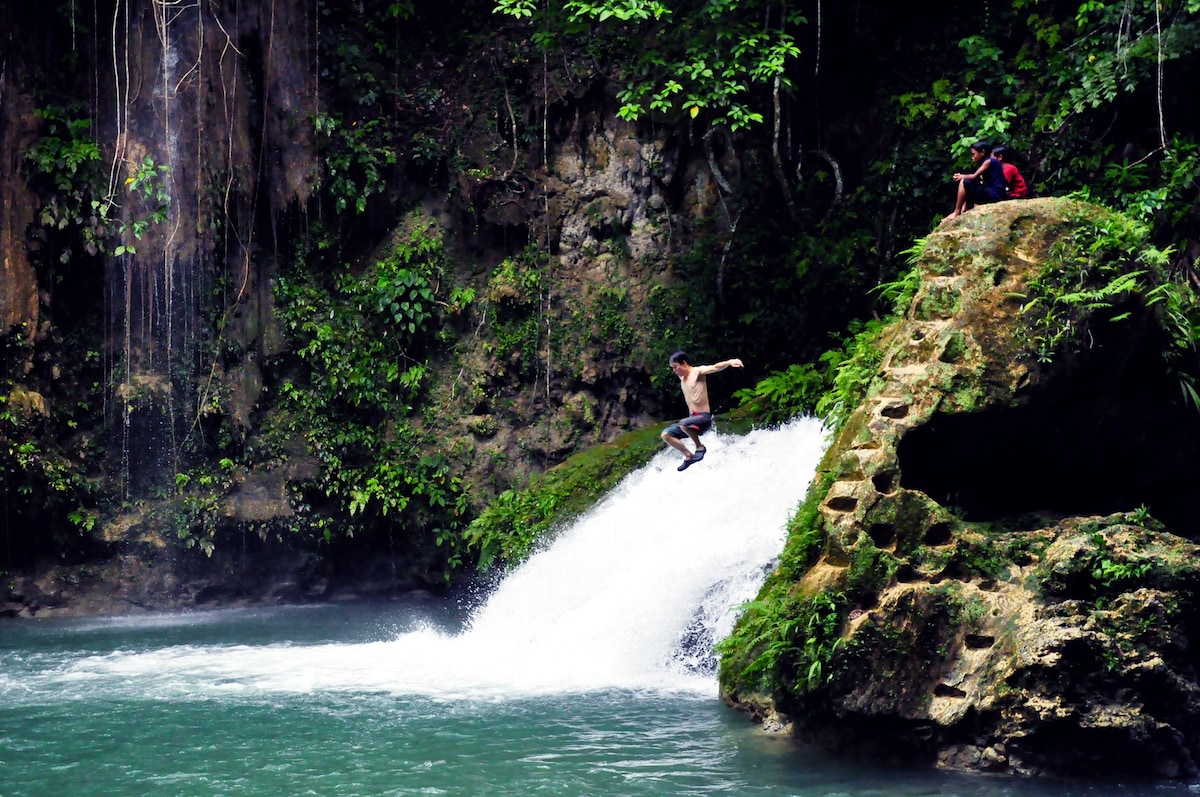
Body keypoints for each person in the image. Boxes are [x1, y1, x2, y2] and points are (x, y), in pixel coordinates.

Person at [661, 351, 744, 471]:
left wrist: (730, 362)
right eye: (672, 368)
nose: (674, 371)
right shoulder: (681, 377)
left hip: (703, 418)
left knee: (684, 423)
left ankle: (699, 447)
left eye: (675, 367)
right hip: (691, 422)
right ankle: (688, 455)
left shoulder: (697, 372)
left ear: (684, 363)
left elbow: (715, 367)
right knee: (665, 434)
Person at [945, 140, 1008, 219]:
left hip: (995, 194)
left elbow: (974, 176)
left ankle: (956, 211)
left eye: (973, 154)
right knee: (969, 184)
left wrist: (962, 176)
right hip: (994, 193)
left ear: (982, 152)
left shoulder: (989, 161)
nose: (972, 157)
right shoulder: (988, 162)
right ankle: (963, 209)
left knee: (965, 181)